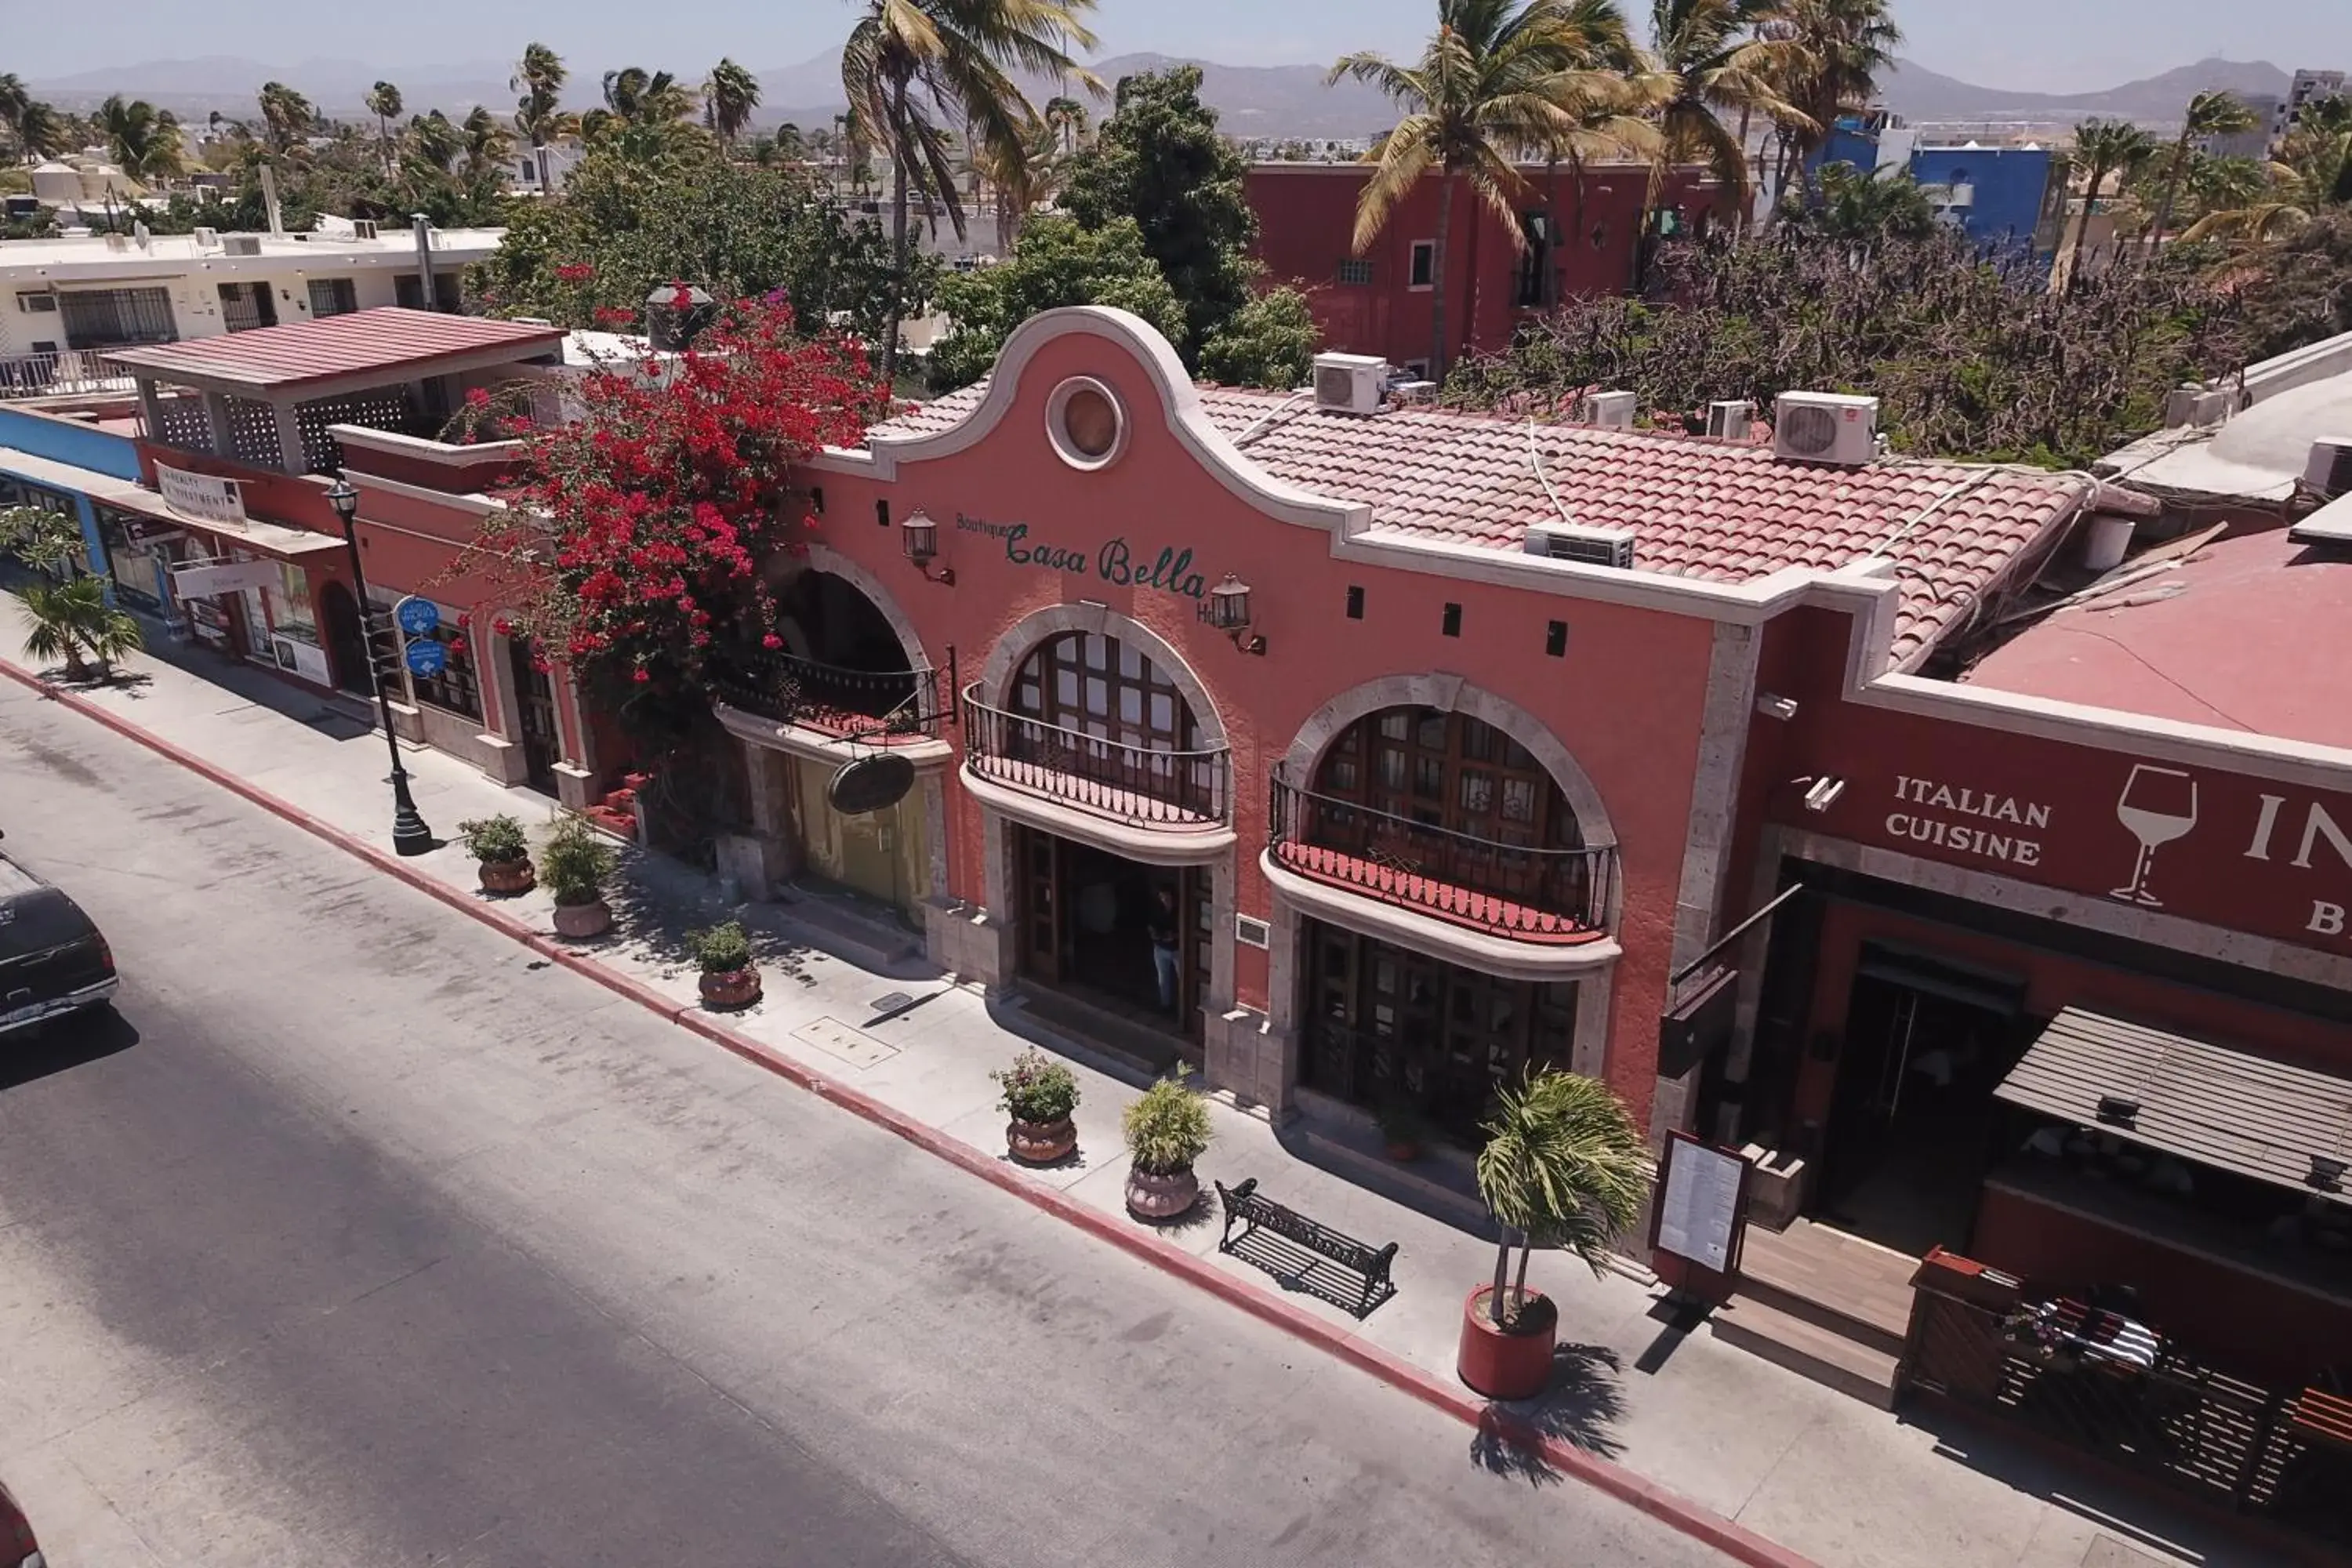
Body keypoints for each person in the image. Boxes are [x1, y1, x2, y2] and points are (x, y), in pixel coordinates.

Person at [1147, 886, 1181, 1013]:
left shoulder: (1179, 912)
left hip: (1177, 950)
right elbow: (1151, 927)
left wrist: (1174, 936)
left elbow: (1185, 930)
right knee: (1163, 979)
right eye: (1163, 898)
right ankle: (1165, 1006)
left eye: (1167, 898)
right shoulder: (1157, 911)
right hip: (1160, 949)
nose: (1165, 900)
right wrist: (1158, 935)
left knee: (1182, 979)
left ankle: (1183, 1007)